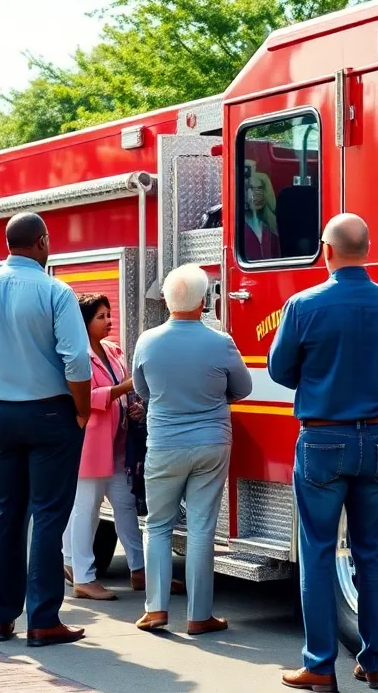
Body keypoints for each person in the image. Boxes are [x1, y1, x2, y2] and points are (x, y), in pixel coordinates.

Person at [270, 213, 378, 692]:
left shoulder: (303, 305)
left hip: (322, 438)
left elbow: (279, 369)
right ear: (369, 250)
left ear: (327, 251)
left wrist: (323, 382)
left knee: (317, 550)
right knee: (374, 553)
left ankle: (319, 666)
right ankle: (375, 662)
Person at [0, 212, 91, 648]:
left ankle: (0, 617)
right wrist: (82, 411)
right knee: (49, 515)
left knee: (6, 513)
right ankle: (44, 618)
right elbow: (77, 360)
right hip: (51, 413)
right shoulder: (55, 291)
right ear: (43, 242)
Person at [132, 263, 252, 635]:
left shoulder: (147, 341)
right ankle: (200, 616)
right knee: (201, 527)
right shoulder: (221, 342)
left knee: (158, 525)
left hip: (165, 444)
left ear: (166, 299)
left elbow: (142, 391)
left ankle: (155, 610)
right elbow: (243, 388)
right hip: (211, 443)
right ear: (204, 301)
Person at [64, 293, 147, 601]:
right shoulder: (77, 354)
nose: (109, 321)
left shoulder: (113, 350)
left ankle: (139, 570)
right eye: (101, 316)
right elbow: (85, 396)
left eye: (109, 314)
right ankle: (82, 576)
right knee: (87, 509)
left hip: (117, 441)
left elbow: (124, 389)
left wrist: (132, 403)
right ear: (85, 323)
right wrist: (122, 390)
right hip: (91, 444)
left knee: (125, 506)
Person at [243, 168, 280, 261]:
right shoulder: (238, 226)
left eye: (260, 188)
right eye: (251, 188)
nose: (257, 194)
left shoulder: (270, 226)